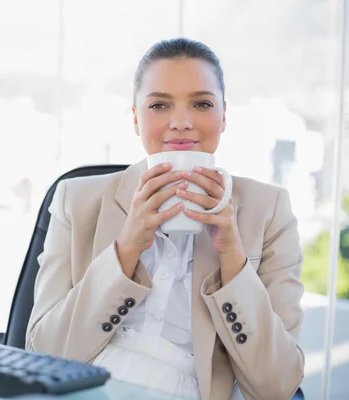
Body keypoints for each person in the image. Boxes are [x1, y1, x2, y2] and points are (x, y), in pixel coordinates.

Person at [25, 38, 304, 400]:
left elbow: (277, 387)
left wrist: (233, 259)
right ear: (137, 120)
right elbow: (42, 356)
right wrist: (126, 251)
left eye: (201, 103)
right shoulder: (75, 201)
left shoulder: (269, 211)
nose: (181, 123)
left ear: (223, 116)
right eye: (159, 105)